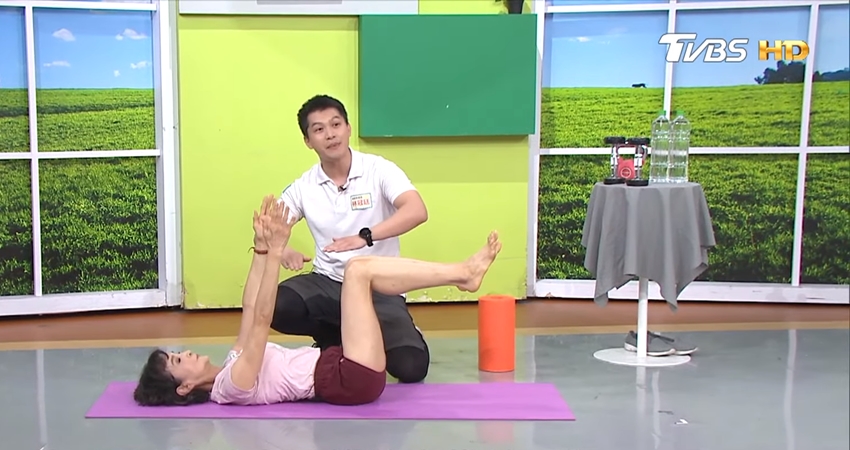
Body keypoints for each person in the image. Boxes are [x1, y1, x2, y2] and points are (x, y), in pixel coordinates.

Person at [133, 195, 502, 407]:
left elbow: (250, 309)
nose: (185, 353)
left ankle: (460, 276)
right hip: (350, 378)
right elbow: (261, 321)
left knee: (359, 271)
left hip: (342, 364)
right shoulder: (232, 387)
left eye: (177, 353)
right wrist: (277, 252)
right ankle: (462, 275)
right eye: (178, 361)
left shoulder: (230, 364)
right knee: (358, 271)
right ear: (184, 387)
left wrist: (260, 247)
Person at [272, 94, 431, 384]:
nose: (330, 134)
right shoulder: (304, 186)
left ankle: (398, 330)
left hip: (379, 287)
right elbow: (269, 228)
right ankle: (333, 338)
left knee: (411, 367)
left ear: (347, 128)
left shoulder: (378, 169)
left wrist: (365, 237)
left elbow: (417, 210)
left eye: (336, 124)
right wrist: (283, 250)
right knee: (275, 305)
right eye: (319, 129)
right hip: (329, 282)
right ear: (308, 141)